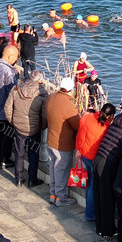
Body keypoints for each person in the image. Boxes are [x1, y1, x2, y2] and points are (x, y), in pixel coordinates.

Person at [93, 104, 122, 237]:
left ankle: (99, 227)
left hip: (98, 157)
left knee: (99, 195)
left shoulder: (116, 121)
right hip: (108, 163)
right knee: (107, 197)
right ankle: (107, 230)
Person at [76, 102, 115, 222]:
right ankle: (91, 214)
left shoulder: (87, 117)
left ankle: (89, 210)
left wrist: (78, 148)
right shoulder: (106, 127)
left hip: (84, 154)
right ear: (110, 116)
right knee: (94, 185)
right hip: (95, 158)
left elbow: (80, 133)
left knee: (89, 183)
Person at [45, 77, 80, 207]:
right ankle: (60, 197)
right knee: (61, 170)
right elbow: (77, 126)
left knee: (53, 168)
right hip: (63, 144)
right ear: (71, 90)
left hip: (50, 140)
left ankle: (53, 194)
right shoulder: (69, 106)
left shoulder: (51, 97)